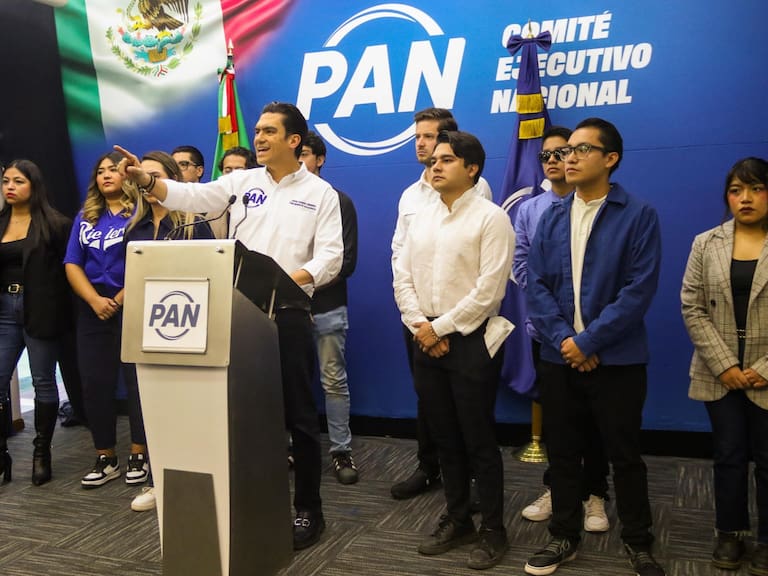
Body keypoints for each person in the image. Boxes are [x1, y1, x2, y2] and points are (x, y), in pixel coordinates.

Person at [115, 101, 343, 551]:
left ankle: (308, 510)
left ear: (294, 140)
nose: (258, 138)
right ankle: (255, 503)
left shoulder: (321, 194)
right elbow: (191, 197)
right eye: (256, 130)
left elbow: (330, 257)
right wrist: (145, 181)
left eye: (269, 132)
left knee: (297, 413)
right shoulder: (241, 183)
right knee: (243, 413)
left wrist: (284, 284)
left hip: (289, 312)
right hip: (238, 313)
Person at [524, 118, 665, 576]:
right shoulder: (552, 216)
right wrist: (567, 340)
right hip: (558, 357)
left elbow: (638, 291)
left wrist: (589, 340)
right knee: (563, 452)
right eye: (566, 151)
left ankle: (639, 542)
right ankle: (563, 537)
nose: (569, 157)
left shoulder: (637, 214)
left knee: (623, 454)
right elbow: (537, 287)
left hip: (617, 360)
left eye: (582, 150)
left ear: (610, 159)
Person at [394, 130, 514, 570]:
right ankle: (458, 517)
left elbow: (490, 290)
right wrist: (421, 326)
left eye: (447, 159)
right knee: (444, 437)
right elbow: (401, 276)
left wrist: (439, 328)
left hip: (470, 342)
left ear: (472, 169)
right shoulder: (421, 217)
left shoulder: (490, 218)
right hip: (425, 337)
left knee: (479, 440)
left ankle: (494, 531)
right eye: (434, 160)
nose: (435, 165)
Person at [390, 107, 492, 501]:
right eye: (417, 137)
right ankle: (429, 466)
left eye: (429, 137)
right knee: (427, 395)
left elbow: (474, 267)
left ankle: (469, 479)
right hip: (417, 316)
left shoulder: (474, 190)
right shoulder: (409, 195)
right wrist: (417, 320)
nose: (421, 144)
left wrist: (443, 325)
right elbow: (399, 254)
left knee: (464, 406)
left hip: (460, 323)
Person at [514, 126, 610, 532]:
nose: (554, 160)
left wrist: (584, 335)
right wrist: (559, 329)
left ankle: (595, 495)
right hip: (549, 335)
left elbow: (601, 276)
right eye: (547, 155)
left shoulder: (599, 205)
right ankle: (559, 488)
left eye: (562, 152)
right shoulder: (530, 211)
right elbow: (522, 267)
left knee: (595, 422)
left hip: (594, 337)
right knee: (559, 421)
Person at [681, 157, 768, 574]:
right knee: (729, 455)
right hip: (720, 373)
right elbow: (692, 306)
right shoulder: (706, 243)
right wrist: (726, 364)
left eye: (755, 189)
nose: (745, 199)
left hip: (766, 373)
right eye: (736, 190)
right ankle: (730, 533)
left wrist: (762, 368)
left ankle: (767, 540)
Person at [122, 151, 214, 512]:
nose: (144, 182)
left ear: (170, 179)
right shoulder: (135, 226)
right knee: (152, 407)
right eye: (140, 176)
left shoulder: (194, 222)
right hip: (147, 329)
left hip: (189, 330)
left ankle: (198, 476)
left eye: (153, 175)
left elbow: (210, 275)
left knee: (189, 408)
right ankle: (157, 480)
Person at [64, 151, 142, 490]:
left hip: (133, 304)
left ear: (128, 175)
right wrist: (95, 300)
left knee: (138, 383)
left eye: (114, 169)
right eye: (101, 171)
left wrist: (120, 299)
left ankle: (139, 452)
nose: (107, 175)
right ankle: (105, 456)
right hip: (92, 308)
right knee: (95, 383)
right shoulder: (85, 217)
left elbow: (146, 258)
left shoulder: (139, 213)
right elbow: (72, 263)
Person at [0, 159, 73, 486]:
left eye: (18, 181)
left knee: (43, 382)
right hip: (4, 310)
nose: (10, 187)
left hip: (40, 309)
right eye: (5, 181)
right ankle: (2, 455)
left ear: (34, 186)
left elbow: (66, 275)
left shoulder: (56, 224)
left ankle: (41, 452)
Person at [300, 131, 359, 484]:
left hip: (326, 306)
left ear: (320, 159)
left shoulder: (339, 201)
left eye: (306, 154)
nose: (301, 162)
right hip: (285, 310)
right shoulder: (281, 201)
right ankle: (294, 447)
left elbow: (345, 261)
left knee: (333, 380)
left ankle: (341, 451)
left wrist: (303, 291)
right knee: (289, 382)